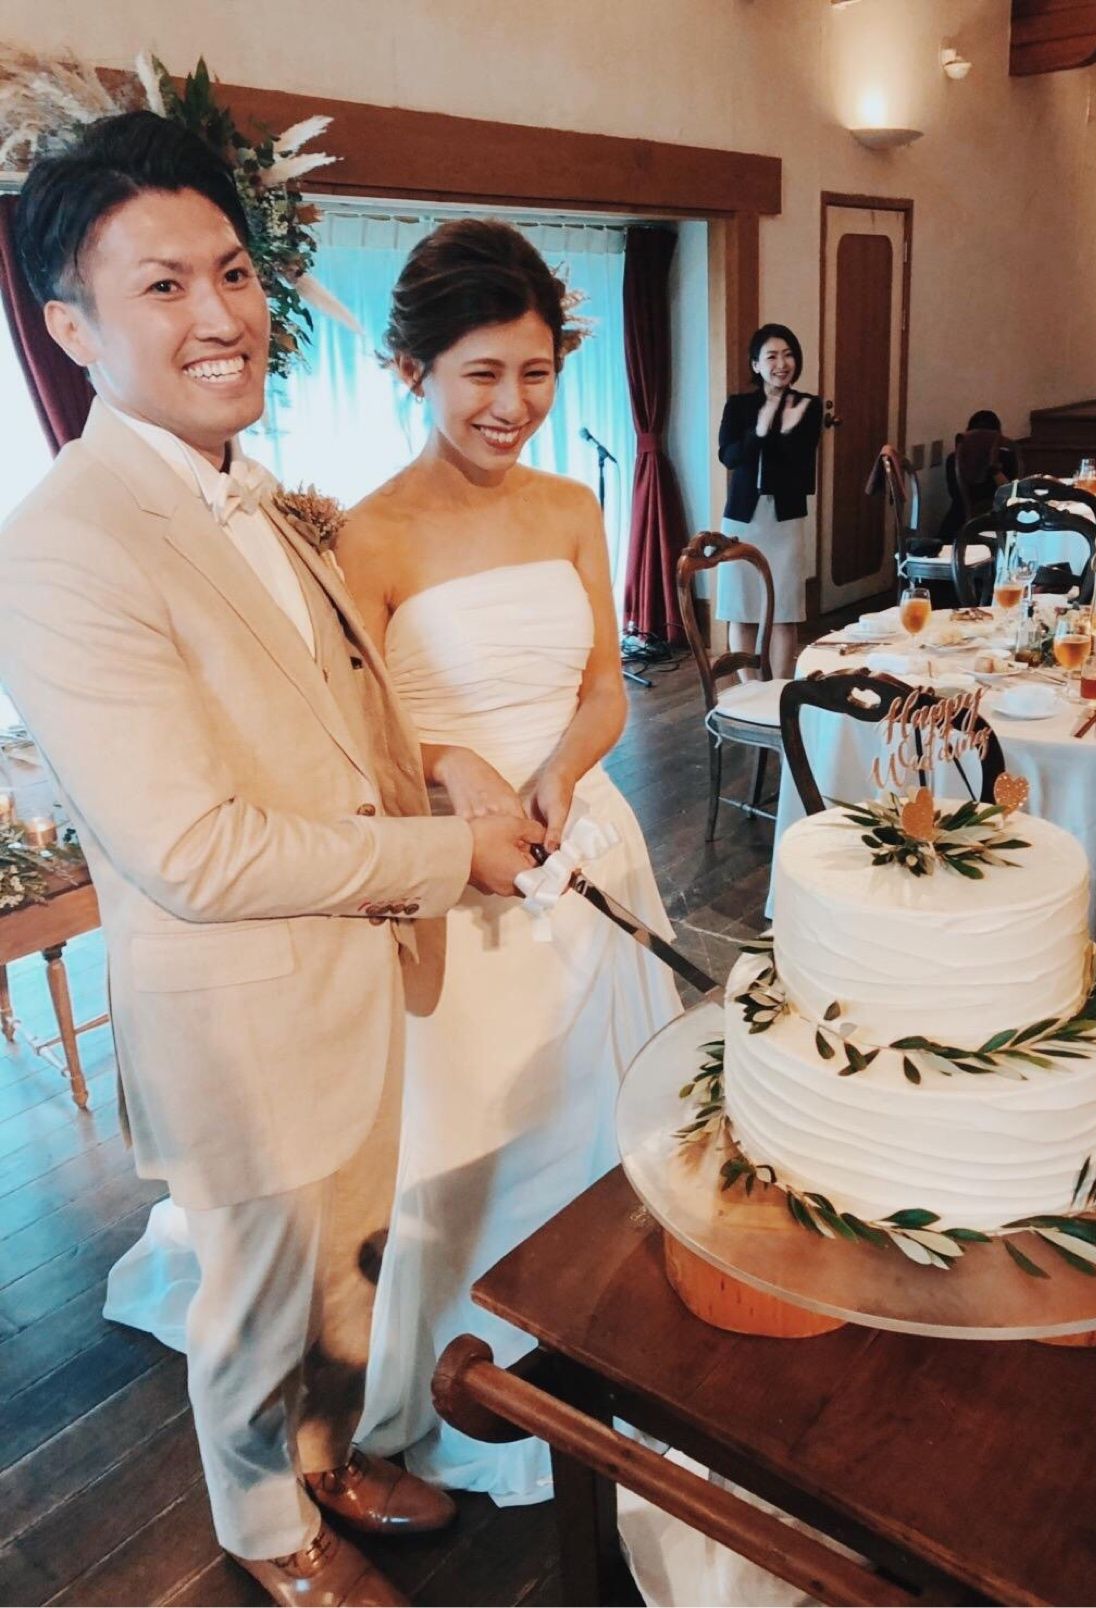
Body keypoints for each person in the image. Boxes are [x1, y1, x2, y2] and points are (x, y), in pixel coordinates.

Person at [0, 114, 544, 1608]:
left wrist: (438, 757)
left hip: (349, 968)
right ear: (71, 329)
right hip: (239, 1009)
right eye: (162, 286)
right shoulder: (65, 543)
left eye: (231, 272)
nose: (221, 315)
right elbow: (191, 849)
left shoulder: (248, 482)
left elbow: (325, 706)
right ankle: (268, 1534)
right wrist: (448, 849)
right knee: (253, 1305)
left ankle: (332, 1459)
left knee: (348, 1260)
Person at [104, 218, 682, 1506]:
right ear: (412, 371)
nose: (511, 405)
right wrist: (449, 765)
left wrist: (564, 766)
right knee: (471, 1139)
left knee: (599, 1118)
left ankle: (599, 1341)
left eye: (535, 374)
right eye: (480, 374)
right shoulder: (359, 540)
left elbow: (602, 680)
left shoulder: (570, 507)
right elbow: (343, 733)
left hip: (582, 845)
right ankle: (456, 1371)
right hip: (451, 882)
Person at [715, 323, 822, 679]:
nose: (781, 363)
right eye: (772, 356)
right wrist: (760, 430)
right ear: (756, 364)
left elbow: (801, 463)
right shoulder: (739, 406)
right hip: (743, 519)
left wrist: (786, 430)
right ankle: (750, 689)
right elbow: (730, 457)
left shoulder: (808, 406)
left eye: (788, 355)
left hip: (785, 519)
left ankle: (777, 689)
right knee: (742, 608)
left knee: (784, 610)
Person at [936, 408, 1020, 542]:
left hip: (958, 524)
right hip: (997, 522)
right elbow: (1012, 493)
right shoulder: (1007, 457)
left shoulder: (954, 459)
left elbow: (954, 494)